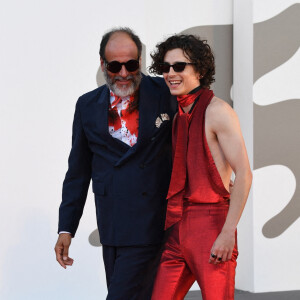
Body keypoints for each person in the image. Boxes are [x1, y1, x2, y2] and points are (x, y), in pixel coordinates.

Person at [54, 27, 177, 300]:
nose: (123, 73)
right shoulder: (86, 105)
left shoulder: (165, 92)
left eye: (131, 64)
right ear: (103, 65)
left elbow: (197, 131)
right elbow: (78, 171)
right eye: (115, 65)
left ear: (140, 62)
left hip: (152, 222)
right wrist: (66, 227)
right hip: (112, 225)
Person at [149, 34, 252, 300]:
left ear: (200, 70)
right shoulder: (178, 113)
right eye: (166, 67)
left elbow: (244, 174)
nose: (171, 73)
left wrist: (228, 232)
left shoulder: (218, 111)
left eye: (179, 66)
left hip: (211, 226)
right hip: (176, 227)